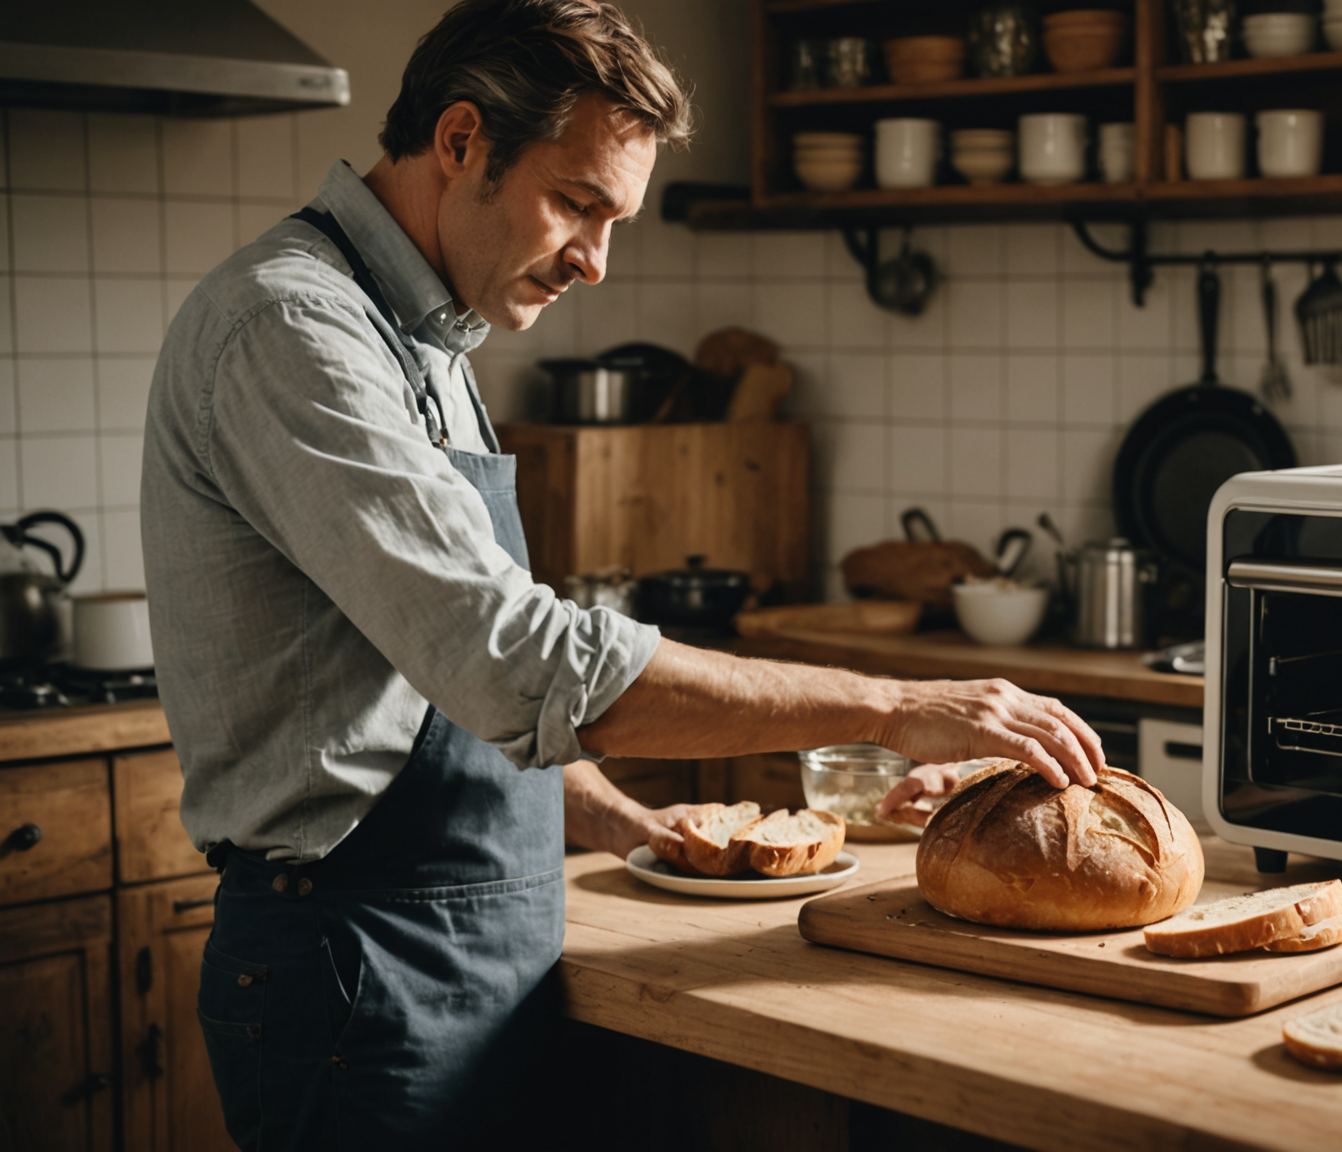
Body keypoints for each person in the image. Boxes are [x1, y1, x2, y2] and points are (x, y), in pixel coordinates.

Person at [139, 2, 1103, 1148]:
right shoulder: (296, 330)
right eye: (578, 203)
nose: (597, 261)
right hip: (360, 969)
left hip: (472, 944)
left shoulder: (428, 336)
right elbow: (515, 663)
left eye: (617, 218)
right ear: (460, 142)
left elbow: (420, 688)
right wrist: (899, 708)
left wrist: (618, 817)